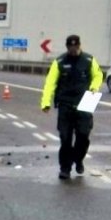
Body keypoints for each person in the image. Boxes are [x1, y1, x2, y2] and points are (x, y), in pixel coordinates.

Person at [40, 34, 103, 179]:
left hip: (85, 102)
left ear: (80, 46)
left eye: (76, 46)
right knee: (65, 138)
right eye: (71, 47)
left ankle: (78, 159)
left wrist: (94, 88)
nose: (74, 49)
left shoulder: (88, 60)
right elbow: (50, 83)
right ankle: (65, 168)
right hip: (65, 104)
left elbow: (98, 75)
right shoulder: (60, 62)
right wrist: (46, 102)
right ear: (67, 47)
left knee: (83, 136)